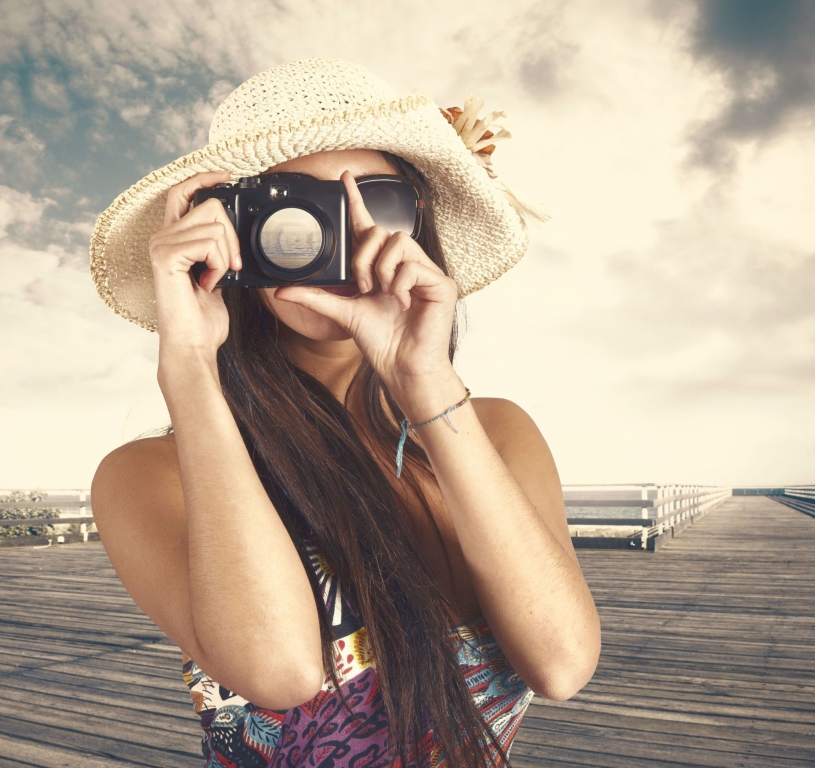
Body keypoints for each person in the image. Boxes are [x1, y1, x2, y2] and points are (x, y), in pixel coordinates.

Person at [88, 58, 600, 768]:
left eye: (380, 204)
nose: (339, 238)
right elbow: (280, 671)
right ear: (230, 235)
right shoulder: (150, 475)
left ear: (417, 228)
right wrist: (191, 365)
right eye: (295, 210)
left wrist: (423, 381)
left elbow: (563, 661)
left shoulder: (498, 432)